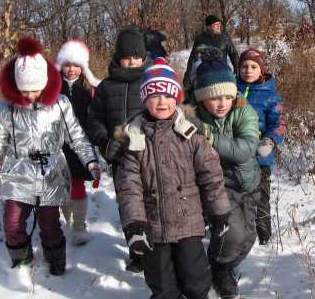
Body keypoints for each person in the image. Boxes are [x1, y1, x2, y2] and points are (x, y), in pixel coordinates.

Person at [0, 36, 101, 276]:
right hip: (18, 172)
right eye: (25, 90)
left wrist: (91, 162)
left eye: (35, 89)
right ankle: (21, 258)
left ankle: (56, 259)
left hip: (50, 172)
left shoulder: (60, 105)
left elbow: (77, 137)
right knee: (12, 222)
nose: (30, 95)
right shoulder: (7, 109)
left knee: (49, 224)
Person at [114, 58, 231, 299]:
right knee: (163, 288)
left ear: (176, 98)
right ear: (145, 98)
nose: (162, 102)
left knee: (196, 280)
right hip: (154, 227)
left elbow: (211, 175)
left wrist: (219, 212)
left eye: (168, 96)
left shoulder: (190, 134)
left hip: (188, 223)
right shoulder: (135, 139)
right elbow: (129, 187)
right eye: (154, 95)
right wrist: (135, 225)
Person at [193, 56, 261, 299]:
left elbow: (244, 150)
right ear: (202, 97)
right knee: (233, 235)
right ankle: (218, 269)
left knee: (249, 239)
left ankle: (224, 265)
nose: (223, 103)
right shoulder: (196, 120)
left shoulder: (244, 110)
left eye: (227, 96)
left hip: (250, 185)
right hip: (220, 187)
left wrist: (210, 137)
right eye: (214, 97)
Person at [86, 26, 150, 272]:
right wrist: (104, 141)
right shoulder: (106, 87)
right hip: (120, 158)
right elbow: (94, 119)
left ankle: (155, 248)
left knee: (151, 203)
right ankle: (137, 252)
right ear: (118, 57)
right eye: (127, 56)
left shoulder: (150, 80)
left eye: (136, 56)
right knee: (128, 203)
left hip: (149, 155)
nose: (132, 60)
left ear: (143, 57)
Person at [236, 48, 287, 246]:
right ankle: (240, 233)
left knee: (261, 197)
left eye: (253, 66)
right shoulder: (232, 91)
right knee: (237, 195)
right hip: (236, 153)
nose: (248, 70)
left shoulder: (271, 96)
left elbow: (279, 123)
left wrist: (270, 140)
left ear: (261, 70)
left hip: (260, 156)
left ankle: (264, 237)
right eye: (244, 66)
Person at [55, 39, 102, 246]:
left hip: (80, 143)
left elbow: (96, 116)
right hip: (58, 144)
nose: (71, 70)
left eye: (76, 66)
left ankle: (79, 224)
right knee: (63, 186)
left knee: (77, 184)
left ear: (83, 68)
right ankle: (70, 220)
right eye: (67, 65)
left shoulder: (89, 90)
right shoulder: (52, 89)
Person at [183, 15, 240, 103]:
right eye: (216, 24)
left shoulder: (224, 37)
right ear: (208, 27)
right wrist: (188, 76)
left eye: (219, 24)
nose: (219, 26)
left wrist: (237, 70)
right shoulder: (200, 38)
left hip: (223, 72)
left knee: (228, 96)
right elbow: (193, 58)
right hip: (205, 74)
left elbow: (233, 54)